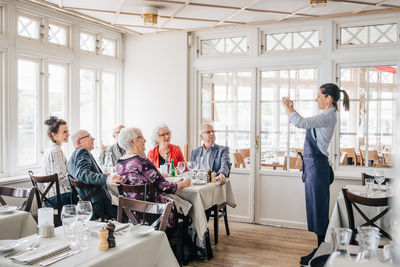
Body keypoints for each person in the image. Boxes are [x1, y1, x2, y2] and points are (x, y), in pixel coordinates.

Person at [281, 83, 349, 266]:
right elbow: (306, 123)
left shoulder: (328, 116)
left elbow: (300, 123)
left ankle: (322, 253)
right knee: (315, 209)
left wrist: (286, 106)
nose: (316, 99)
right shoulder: (325, 116)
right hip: (314, 168)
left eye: (319, 96)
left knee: (319, 211)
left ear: (329, 98)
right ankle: (320, 249)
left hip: (318, 168)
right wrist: (293, 109)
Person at [116, 127, 191, 229]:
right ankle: (185, 241)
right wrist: (184, 183)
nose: (145, 140)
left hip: (132, 213)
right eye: (141, 137)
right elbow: (166, 187)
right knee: (188, 206)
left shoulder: (119, 162)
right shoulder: (142, 161)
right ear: (132, 142)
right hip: (153, 213)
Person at [67, 129, 122, 219]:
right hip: (98, 206)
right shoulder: (82, 152)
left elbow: (81, 173)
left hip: (84, 204)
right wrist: (106, 179)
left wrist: (102, 175)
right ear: (79, 142)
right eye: (89, 136)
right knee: (128, 208)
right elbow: (82, 174)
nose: (93, 139)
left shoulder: (72, 157)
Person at [41, 116, 71, 205]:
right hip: (59, 198)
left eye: (68, 131)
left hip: (51, 197)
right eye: (65, 132)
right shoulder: (56, 151)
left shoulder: (50, 149)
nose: (68, 134)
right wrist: (77, 185)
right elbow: (61, 176)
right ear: (54, 134)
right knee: (90, 197)